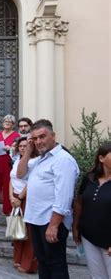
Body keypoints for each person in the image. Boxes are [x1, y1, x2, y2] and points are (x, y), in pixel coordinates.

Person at [19, 119, 79, 278]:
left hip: (51, 221)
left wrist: (54, 225)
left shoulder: (63, 160)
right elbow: (20, 174)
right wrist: (27, 151)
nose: (39, 141)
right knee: (43, 262)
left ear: (53, 136)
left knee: (56, 264)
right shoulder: (41, 159)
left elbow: (64, 196)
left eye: (42, 136)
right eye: (35, 138)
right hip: (37, 220)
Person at [73, 142, 111, 279]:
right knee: (97, 276)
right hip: (88, 236)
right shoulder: (89, 178)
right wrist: (76, 227)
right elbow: (79, 202)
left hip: (108, 239)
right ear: (101, 158)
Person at [9, 136, 38, 274]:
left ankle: (28, 264)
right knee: (17, 230)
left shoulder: (34, 162)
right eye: (20, 146)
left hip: (26, 198)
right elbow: (11, 179)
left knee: (29, 232)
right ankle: (17, 258)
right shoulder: (17, 161)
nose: (22, 148)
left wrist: (20, 197)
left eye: (25, 146)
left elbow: (31, 182)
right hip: (15, 198)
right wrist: (11, 196)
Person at [0, 115, 20, 215]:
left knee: (8, 185)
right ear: (2, 123)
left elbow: (19, 149)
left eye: (10, 121)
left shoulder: (16, 135)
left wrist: (11, 148)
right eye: (5, 121)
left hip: (9, 162)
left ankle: (7, 209)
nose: (7, 123)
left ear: (13, 124)